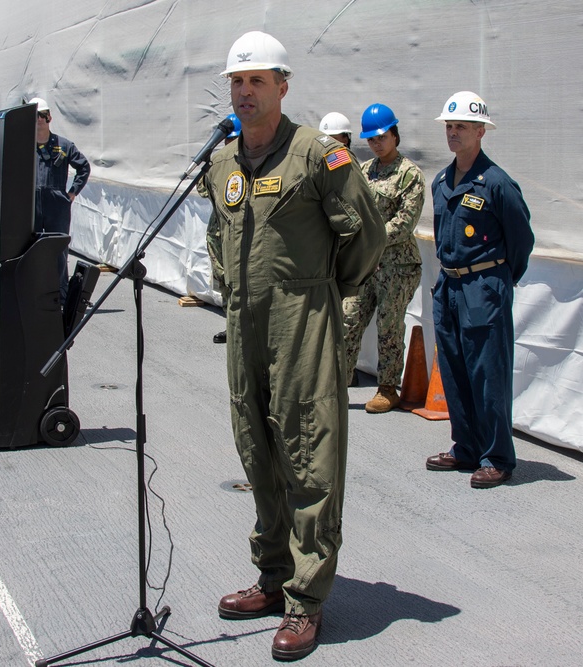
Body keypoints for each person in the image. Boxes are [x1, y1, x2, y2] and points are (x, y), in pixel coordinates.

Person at [204, 32, 384, 661]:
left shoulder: (318, 155)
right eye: (236, 81)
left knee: (307, 447)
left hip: (302, 317)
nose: (244, 91)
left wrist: (324, 295)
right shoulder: (222, 161)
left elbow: (365, 234)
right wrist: (231, 288)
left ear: (283, 86)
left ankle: (307, 599)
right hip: (244, 323)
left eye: (256, 81)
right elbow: (216, 234)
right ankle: (274, 573)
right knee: (256, 444)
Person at [424, 91, 533, 489]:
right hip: (449, 286)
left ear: (481, 131)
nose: (453, 133)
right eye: (449, 126)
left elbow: (521, 240)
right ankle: (467, 447)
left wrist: (499, 280)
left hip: (483, 287)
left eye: (462, 127)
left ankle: (498, 457)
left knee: (488, 373)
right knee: (454, 370)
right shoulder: (440, 180)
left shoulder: (497, 183)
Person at [342, 103, 425, 412]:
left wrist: (370, 238)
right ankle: (339, 381)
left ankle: (388, 388)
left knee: (389, 325)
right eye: (371, 139)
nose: (376, 143)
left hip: (397, 266)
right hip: (366, 264)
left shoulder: (409, 174)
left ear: (394, 134)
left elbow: (404, 223)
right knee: (348, 318)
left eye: (382, 137)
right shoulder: (364, 172)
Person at [31, 96, 90, 303]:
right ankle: (34, 293)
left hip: (57, 203)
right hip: (31, 204)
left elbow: (83, 167)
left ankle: (61, 296)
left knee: (58, 250)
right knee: (31, 248)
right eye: (35, 116)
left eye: (43, 115)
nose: (39, 120)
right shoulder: (22, 145)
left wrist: (72, 193)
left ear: (49, 118)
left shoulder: (63, 145)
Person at [203, 113, 241, 344]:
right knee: (223, 281)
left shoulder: (251, 163)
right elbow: (204, 190)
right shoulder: (218, 164)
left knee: (240, 283)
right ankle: (231, 325)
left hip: (237, 234)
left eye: (235, 139)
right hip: (217, 234)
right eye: (228, 140)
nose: (230, 144)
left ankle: (243, 329)